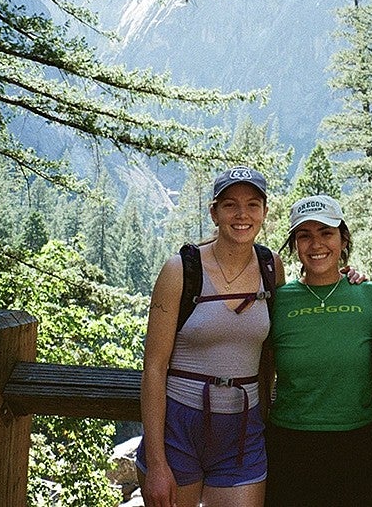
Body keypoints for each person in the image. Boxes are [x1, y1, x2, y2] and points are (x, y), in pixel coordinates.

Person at [138, 166, 284, 507]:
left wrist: (347, 276)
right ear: (214, 212)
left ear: (264, 211)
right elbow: (154, 367)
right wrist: (157, 463)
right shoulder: (181, 269)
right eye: (230, 204)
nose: (242, 214)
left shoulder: (270, 266)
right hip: (179, 425)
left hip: (243, 430)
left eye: (253, 204)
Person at [264, 194, 372, 507]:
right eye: (304, 236)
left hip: (359, 443)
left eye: (326, 233)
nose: (316, 244)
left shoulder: (369, 295)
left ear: (343, 238)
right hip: (290, 445)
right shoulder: (278, 301)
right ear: (294, 245)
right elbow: (262, 369)